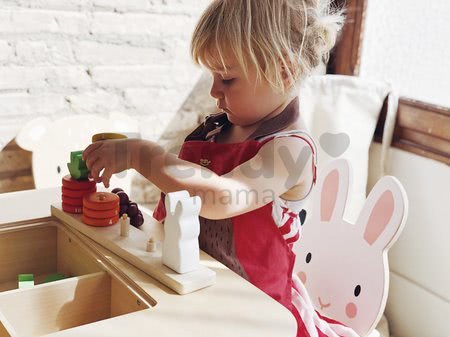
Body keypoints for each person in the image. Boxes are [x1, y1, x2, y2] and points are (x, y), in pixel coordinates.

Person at [83, 1, 359, 336]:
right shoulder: (216, 130)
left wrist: (143, 155)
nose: (214, 91)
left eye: (227, 79)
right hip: (193, 291)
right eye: (212, 75)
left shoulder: (290, 151)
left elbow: (222, 198)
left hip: (254, 315)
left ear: (284, 72)